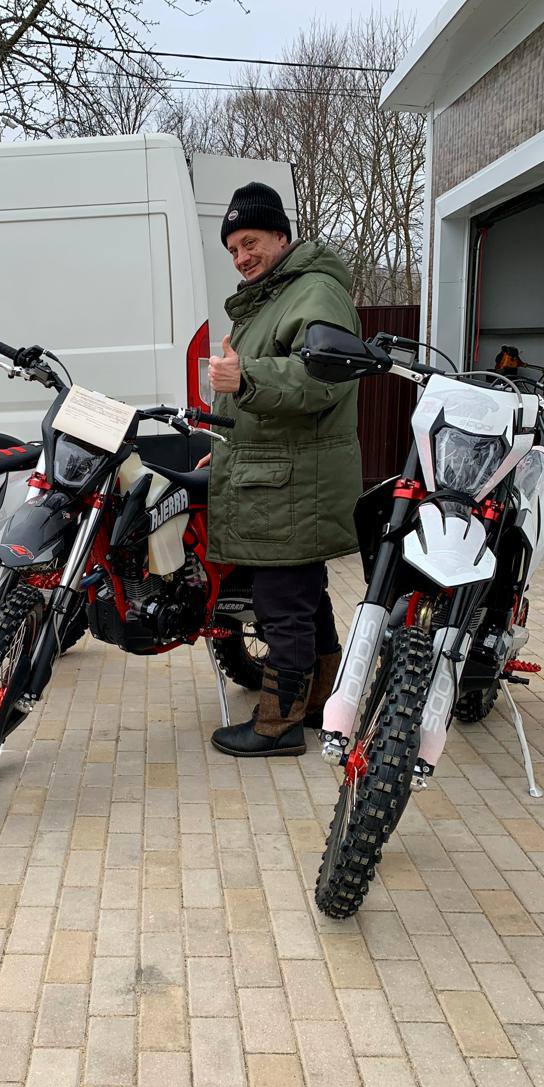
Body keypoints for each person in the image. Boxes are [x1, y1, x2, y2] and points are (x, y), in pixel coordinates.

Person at [200, 181, 362, 757]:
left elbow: (323, 375)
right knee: (304, 598)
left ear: (280, 235)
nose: (242, 257)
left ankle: (278, 725)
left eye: (250, 242)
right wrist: (224, 446)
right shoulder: (277, 294)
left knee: (283, 605)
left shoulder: (314, 291)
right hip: (277, 474)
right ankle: (319, 701)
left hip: (292, 483)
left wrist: (245, 377)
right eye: (233, 249)